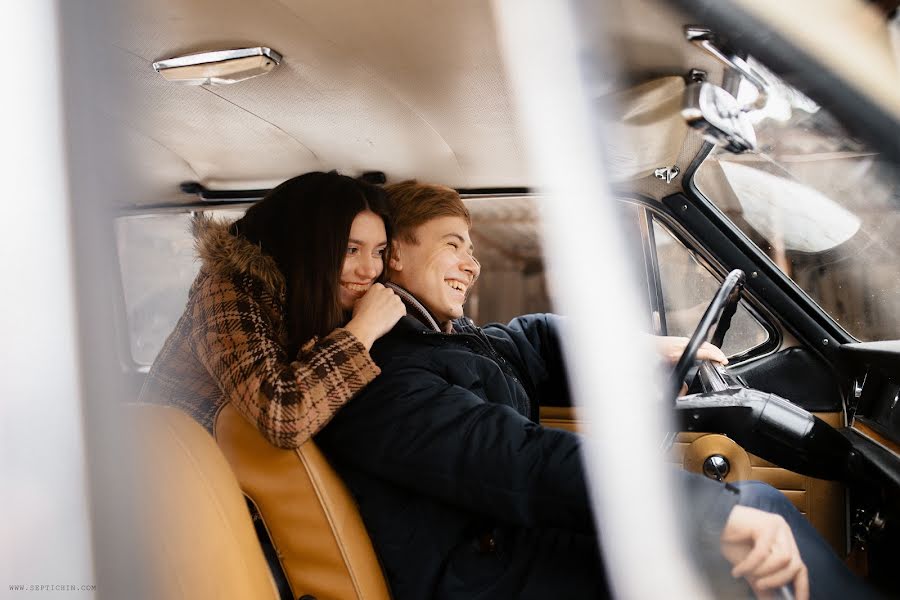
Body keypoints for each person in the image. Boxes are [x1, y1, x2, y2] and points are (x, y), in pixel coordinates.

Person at [316, 181, 872, 600]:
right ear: (396, 256)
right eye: (453, 245)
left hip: (510, 544)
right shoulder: (382, 377)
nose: (473, 264)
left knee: (756, 508)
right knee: (750, 511)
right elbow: (521, 461)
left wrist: (642, 346)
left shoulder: (444, 339)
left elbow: (528, 338)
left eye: (472, 248)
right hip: (487, 577)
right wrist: (701, 512)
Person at [139, 171, 406, 448]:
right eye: (351, 250)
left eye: (379, 251)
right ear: (307, 248)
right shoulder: (227, 291)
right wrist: (365, 328)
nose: (370, 269)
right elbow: (281, 416)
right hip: (176, 477)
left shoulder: (316, 298)